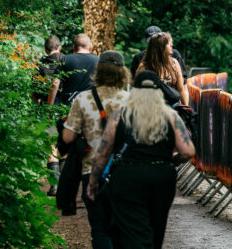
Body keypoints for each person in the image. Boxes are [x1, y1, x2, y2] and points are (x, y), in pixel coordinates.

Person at [88, 70, 196, 248]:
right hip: (162, 177)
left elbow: (103, 152)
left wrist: (93, 180)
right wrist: (171, 159)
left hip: (128, 176)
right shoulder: (171, 116)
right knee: (156, 226)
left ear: (134, 91)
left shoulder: (119, 115)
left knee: (132, 230)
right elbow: (188, 151)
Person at [62, 50, 130, 249]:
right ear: (122, 72)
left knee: (99, 228)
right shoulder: (131, 101)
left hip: (91, 171)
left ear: (98, 70)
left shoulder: (83, 99)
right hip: (123, 172)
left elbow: (67, 137)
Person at [35, 36, 63, 196]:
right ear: (59, 47)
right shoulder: (67, 61)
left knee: (52, 146)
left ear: (46, 49)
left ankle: (55, 186)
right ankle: (66, 188)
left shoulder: (41, 64)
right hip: (66, 109)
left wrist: (40, 102)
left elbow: (34, 92)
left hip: (48, 111)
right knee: (65, 148)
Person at [135, 31, 188, 106]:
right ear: (160, 47)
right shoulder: (144, 67)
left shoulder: (174, 63)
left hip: (172, 108)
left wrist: (187, 109)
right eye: (168, 43)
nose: (171, 45)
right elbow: (137, 92)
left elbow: (181, 89)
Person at [56, 33, 99, 106]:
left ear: (74, 47)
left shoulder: (65, 59)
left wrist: (50, 105)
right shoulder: (99, 61)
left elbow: (55, 84)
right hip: (91, 105)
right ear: (90, 47)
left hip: (68, 106)